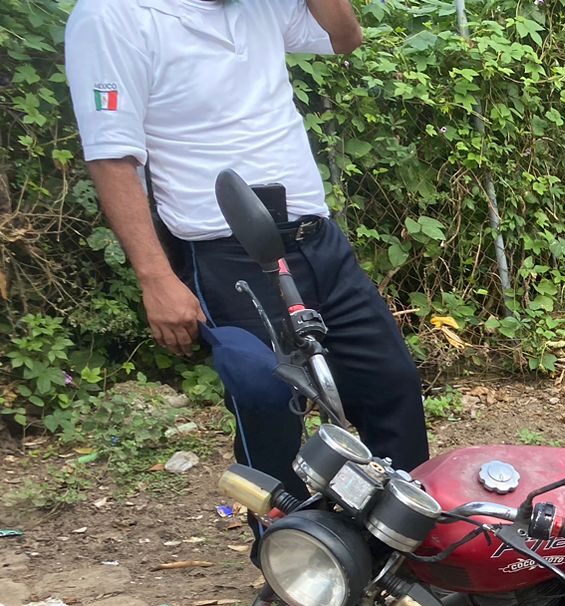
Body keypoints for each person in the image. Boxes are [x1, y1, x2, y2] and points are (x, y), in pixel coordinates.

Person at [64, 0, 430, 510]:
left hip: (315, 236)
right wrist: (156, 277)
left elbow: (345, 37)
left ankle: (400, 538)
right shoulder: (113, 16)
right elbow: (111, 157)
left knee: (389, 382)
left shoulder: (262, 5)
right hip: (223, 253)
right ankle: (295, 553)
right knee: (266, 398)